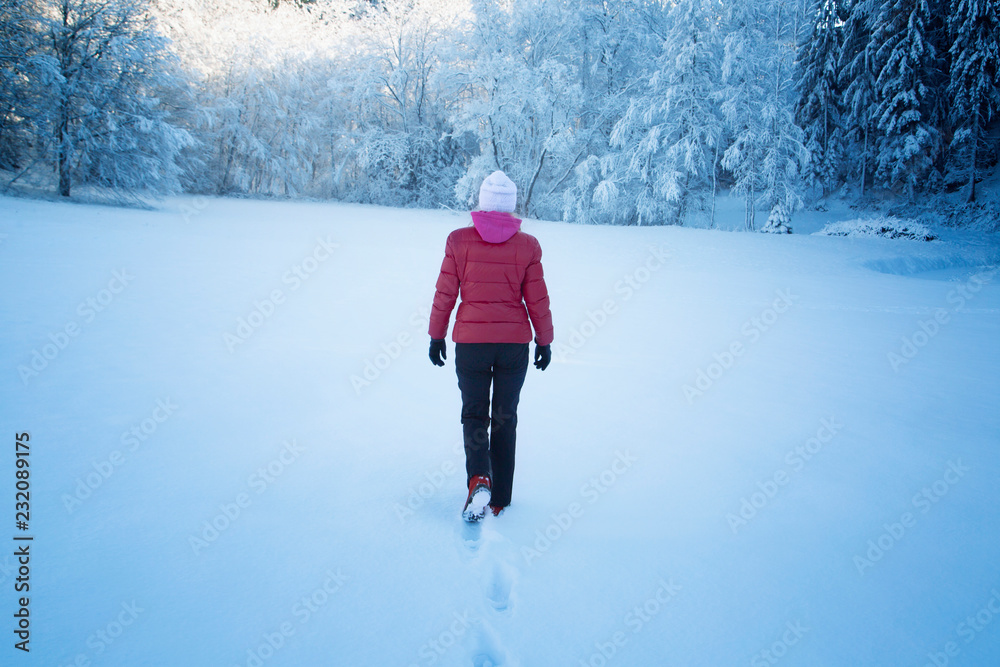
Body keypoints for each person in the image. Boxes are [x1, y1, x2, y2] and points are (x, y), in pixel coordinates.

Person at [428, 170, 554, 522]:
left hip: (471, 344)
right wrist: (545, 340)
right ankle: (499, 497)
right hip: (514, 345)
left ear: (482, 202)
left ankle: (479, 478)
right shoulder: (527, 246)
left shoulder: (458, 241)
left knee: (474, 415)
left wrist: (436, 334)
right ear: (510, 206)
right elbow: (538, 300)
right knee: (504, 418)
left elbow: (445, 294)